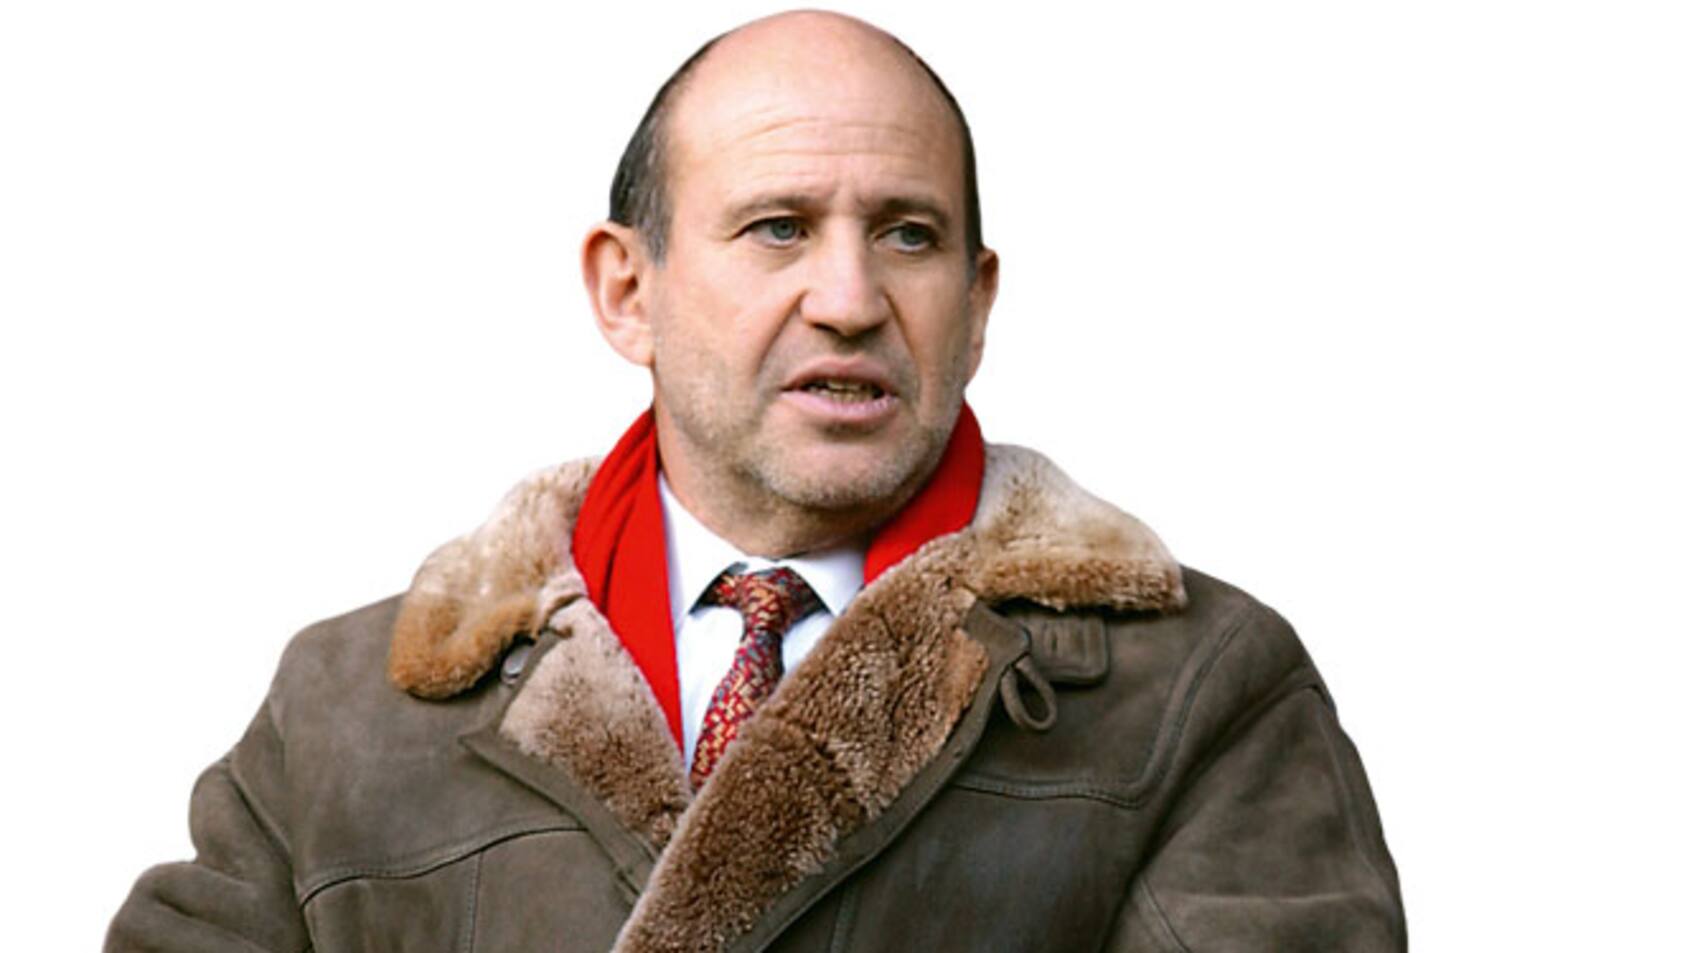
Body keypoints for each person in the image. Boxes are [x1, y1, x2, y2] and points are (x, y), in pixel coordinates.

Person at [107, 10, 1404, 952]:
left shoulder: (1198, 690)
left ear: (977, 304)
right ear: (629, 290)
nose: (849, 298)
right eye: (778, 227)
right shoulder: (352, 707)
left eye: (908, 235)